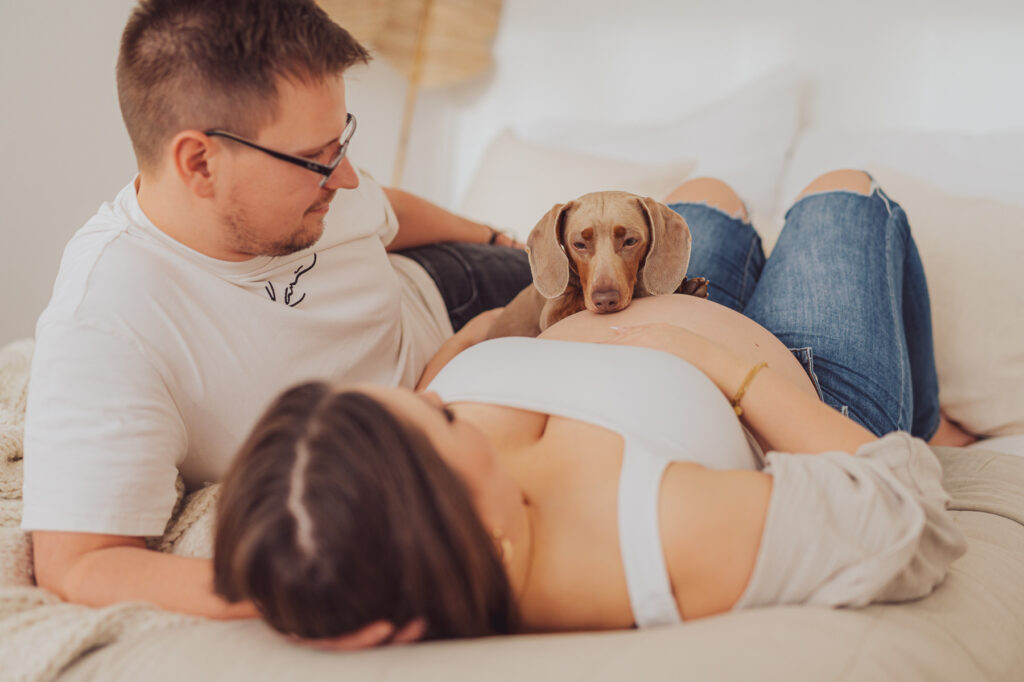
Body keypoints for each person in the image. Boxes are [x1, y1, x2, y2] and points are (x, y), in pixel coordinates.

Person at [212, 169, 973, 646]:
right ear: (474, 530)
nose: (442, 406)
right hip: (798, 384)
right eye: (443, 419)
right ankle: (932, 417)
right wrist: (710, 359)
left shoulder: (378, 493)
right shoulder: (654, 536)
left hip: (651, 288)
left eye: (424, 405)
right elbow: (910, 511)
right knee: (840, 195)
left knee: (704, 195)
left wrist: (458, 367)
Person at [21, 0, 530, 621]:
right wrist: (316, 590)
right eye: (319, 159)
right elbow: (81, 565)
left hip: (454, 284)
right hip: (447, 400)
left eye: (343, 141)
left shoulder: (308, 179)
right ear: (199, 163)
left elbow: (383, 209)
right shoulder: (107, 323)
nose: (343, 178)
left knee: (669, 250)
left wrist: (498, 240)